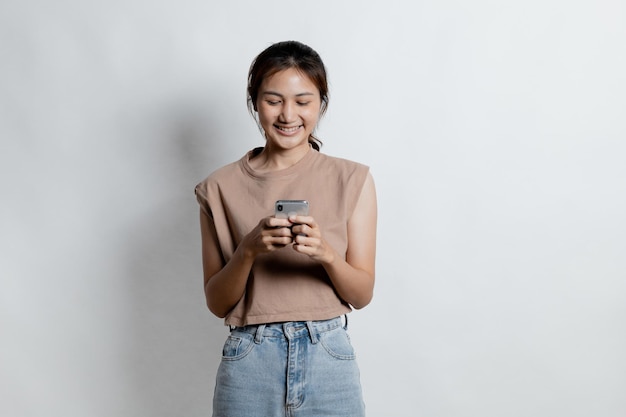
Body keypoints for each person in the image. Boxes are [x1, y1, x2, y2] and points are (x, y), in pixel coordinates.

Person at [195, 40, 377, 417]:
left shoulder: (352, 179)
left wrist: (326, 254)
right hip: (249, 359)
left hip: (328, 355)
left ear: (321, 104)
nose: (287, 114)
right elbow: (217, 303)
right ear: (254, 102)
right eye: (273, 100)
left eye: (303, 101)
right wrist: (248, 251)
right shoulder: (218, 187)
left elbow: (361, 294)